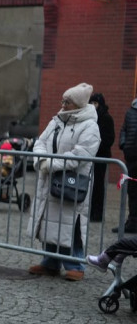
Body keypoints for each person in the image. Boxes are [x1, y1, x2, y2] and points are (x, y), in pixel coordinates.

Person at [27, 82, 100, 281]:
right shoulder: (58, 120)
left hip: (72, 181)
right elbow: (40, 141)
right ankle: (50, 262)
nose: (63, 104)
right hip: (50, 179)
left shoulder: (90, 126)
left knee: (71, 223)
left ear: (77, 104)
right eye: (63, 100)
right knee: (50, 222)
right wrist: (41, 159)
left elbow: (81, 154)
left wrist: (50, 164)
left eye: (67, 101)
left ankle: (75, 264)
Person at [90, 93, 115, 223]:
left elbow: (109, 138)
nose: (93, 106)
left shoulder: (106, 118)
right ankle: (90, 211)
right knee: (90, 184)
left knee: (98, 185)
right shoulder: (90, 119)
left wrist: (97, 147)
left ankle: (97, 213)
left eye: (96, 103)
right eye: (92, 103)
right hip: (90, 155)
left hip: (101, 156)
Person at [119, 96, 137, 234]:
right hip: (131, 156)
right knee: (132, 190)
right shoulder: (131, 110)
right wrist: (124, 145)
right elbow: (124, 129)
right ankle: (132, 221)